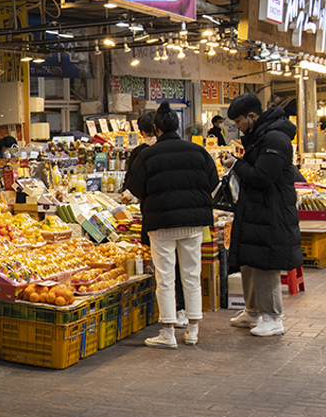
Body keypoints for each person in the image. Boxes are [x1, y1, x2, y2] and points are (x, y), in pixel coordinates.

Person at [126, 102, 219, 348]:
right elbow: (212, 181)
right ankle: (193, 330)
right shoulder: (199, 152)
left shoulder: (147, 155)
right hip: (193, 223)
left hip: (160, 223)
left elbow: (135, 188)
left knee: (165, 277)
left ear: (156, 129)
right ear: (177, 127)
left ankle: (167, 333)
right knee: (191, 275)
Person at [222, 93, 302, 337]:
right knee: (250, 259)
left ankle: (273, 317)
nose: (237, 127)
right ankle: (253, 310)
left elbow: (262, 176)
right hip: (256, 209)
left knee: (266, 261)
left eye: (239, 121)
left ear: (252, 116)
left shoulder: (275, 139)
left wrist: (236, 164)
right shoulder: (259, 137)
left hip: (272, 209)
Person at [120, 111, 155, 200]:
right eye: (149, 135)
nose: (152, 138)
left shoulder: (139, 152)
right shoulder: (137, 152)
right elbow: (130, 177)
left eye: (153, 134)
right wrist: (127, 192)